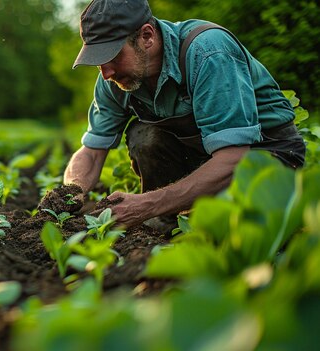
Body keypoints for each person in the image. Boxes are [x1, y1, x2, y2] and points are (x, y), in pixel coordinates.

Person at [57, 0, 306, 232]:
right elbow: (91, 152)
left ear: (146, 36)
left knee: (232, 227)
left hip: (263, 154)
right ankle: (168, 223)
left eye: (112, 56)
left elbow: (234, 159)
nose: (106, 72)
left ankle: (176, 215)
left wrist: (147, 203)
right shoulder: (115, 80)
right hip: (202, 156)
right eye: (98, 61)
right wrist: (70, 193)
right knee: (144, 136)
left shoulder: (208, 53)